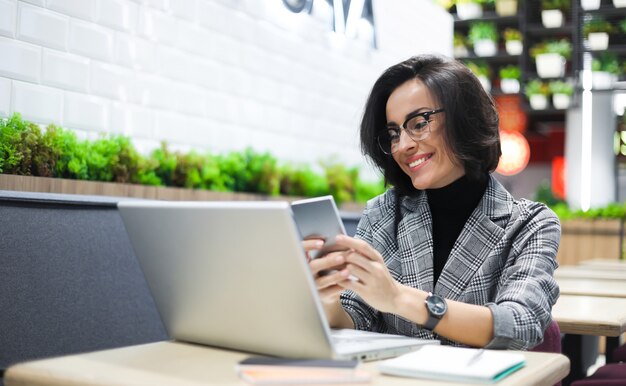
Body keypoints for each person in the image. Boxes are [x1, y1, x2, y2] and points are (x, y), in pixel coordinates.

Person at [305, 54, 560, 350]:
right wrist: (325, 298)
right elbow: (359, 315)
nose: (403, 145)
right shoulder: (383, 213)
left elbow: (519, 325)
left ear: (464, 119)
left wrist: (399, 298)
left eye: (418, 123)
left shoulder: (529, 224)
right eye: (393, 133)